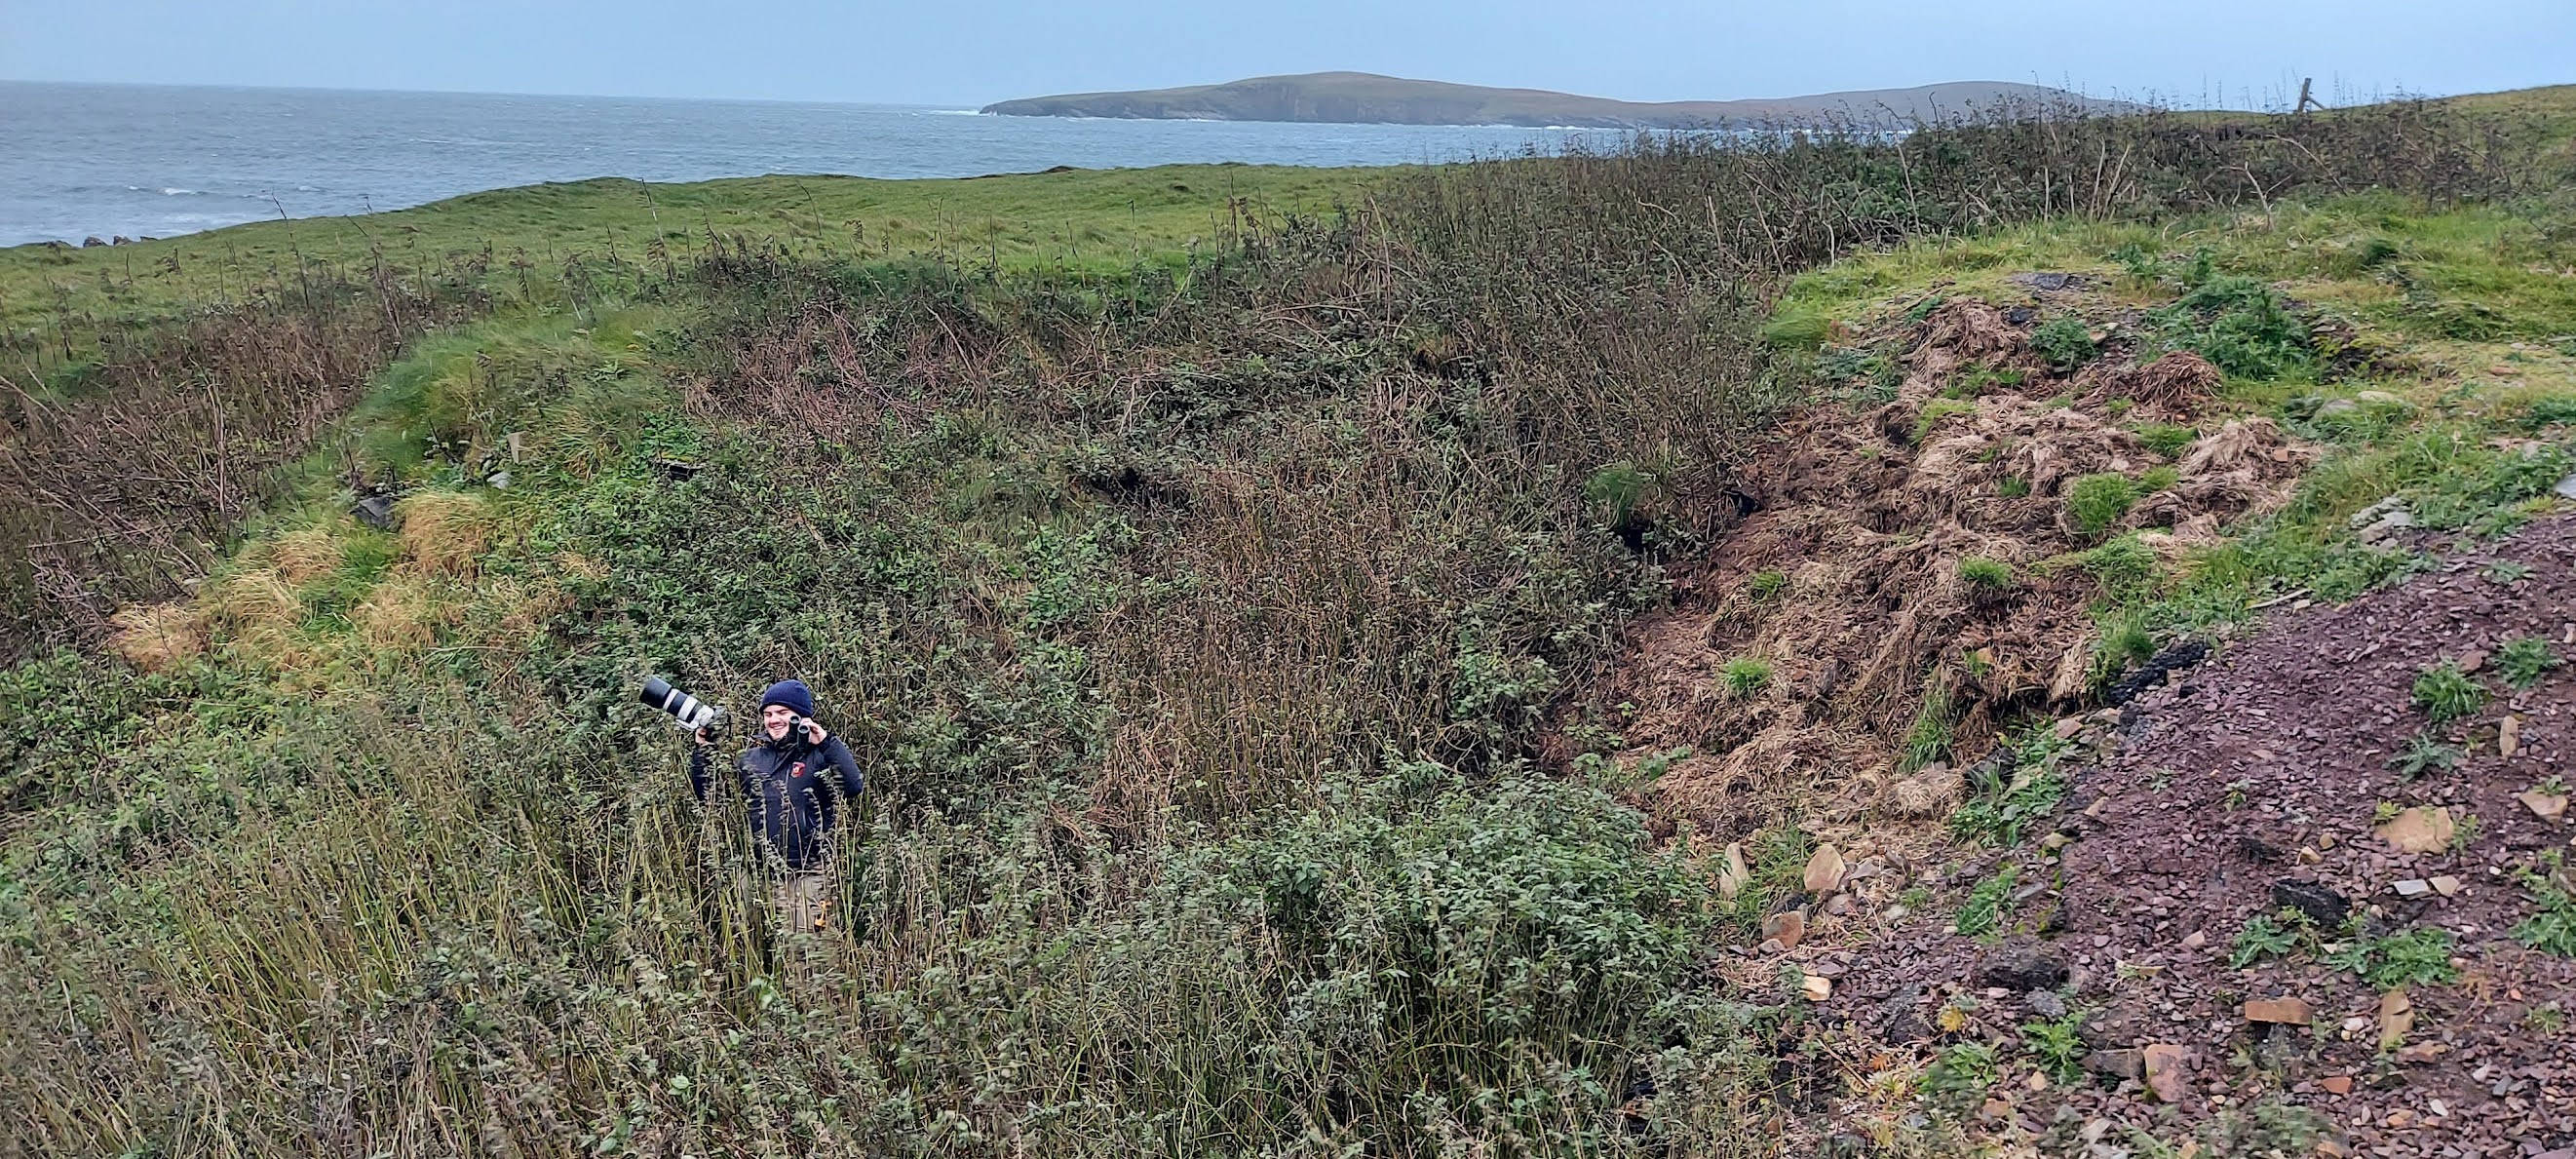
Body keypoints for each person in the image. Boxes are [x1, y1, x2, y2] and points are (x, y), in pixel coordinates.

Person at [690, 678, 864, 934]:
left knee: (805, 956)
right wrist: (703, 750)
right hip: (756, 874)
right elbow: (710, 795)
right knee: (750, 946)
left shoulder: (819, 758)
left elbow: (853, 786)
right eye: (768, 714)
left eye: (783, 713)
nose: (773, 720)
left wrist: (826, 741)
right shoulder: (751, 759)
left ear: (801, 717)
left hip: (807, 875)